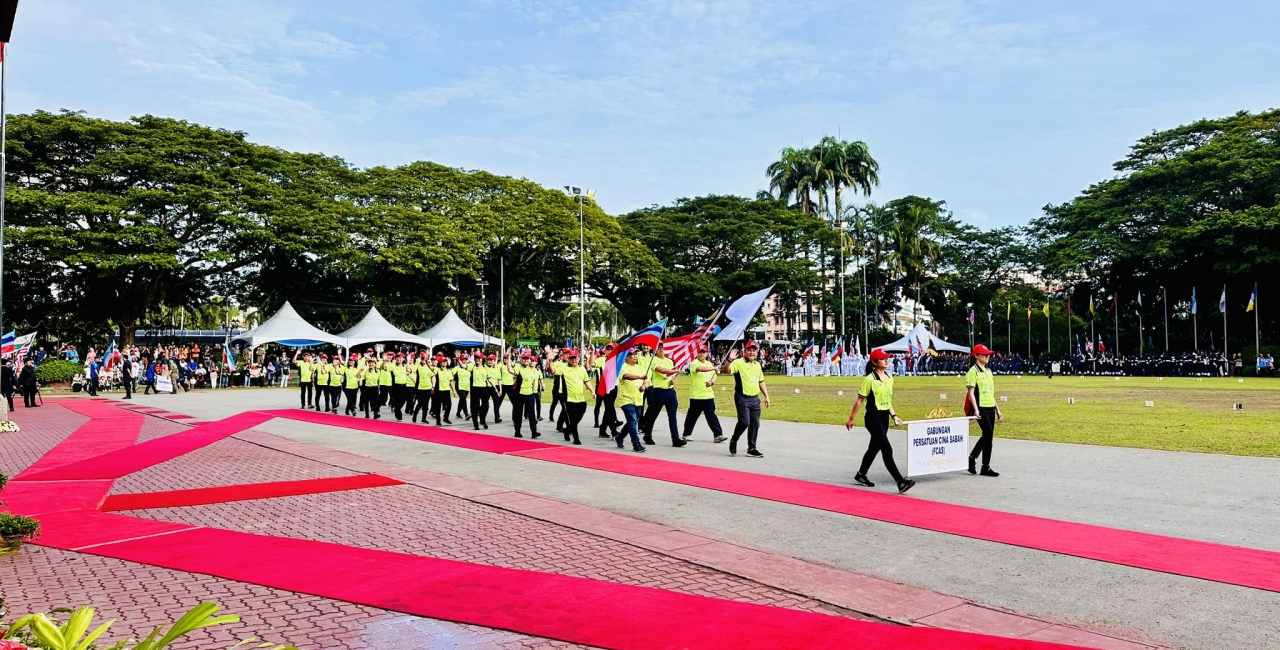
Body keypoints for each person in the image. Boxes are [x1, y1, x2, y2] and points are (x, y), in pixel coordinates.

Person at [844, 347, 915, 494]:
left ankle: (861, 475)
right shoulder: (869, 379)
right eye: (883, 359)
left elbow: (888, 401)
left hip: (883, 418)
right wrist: (851, 419)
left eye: (886, 358)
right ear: (875, 362)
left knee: (874, 448)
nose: (886, 360)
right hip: (872, 418)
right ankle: (900, 481)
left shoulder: (889, 378)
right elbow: (859, 400)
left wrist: (894, 416)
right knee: (886, 448)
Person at [723, 341, 770, 458]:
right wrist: (729, 360)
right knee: (744, 422)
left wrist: (767, 396)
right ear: (745, 351)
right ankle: (734, 439)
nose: (752, 352)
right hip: (742, 397)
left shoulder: (757, 365)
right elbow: (725, 371)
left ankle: (752, 448)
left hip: (755, 398)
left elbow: (761, 381)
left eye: (754, 350)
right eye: (749, 350)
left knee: (755, 423)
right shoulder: (738, 362)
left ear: (757, 352)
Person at [965, 344, 1003, 477]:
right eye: (984, 354)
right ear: (976, 356)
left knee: (989, 437)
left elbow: (991, 392)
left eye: (988, 354)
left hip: (990, 406)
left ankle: (980, 463)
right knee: (987, 434)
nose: (987, 356)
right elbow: (971, 393)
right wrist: (975, 410)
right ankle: (977, 461)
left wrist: (997, 409)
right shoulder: (972, 372)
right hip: (980, 407)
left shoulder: (988, 371)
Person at [639, 343, 683, 447]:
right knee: (653, 415)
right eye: (659, 348)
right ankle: (647, 435)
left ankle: (675, 439)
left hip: (670, 391)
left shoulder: (669, 361)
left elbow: (672, 374)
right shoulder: (653, 360)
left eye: (662, 347)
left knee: (672, 416)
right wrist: (674, 370)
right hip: (658, 391)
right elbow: (661, 370)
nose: (661, 349)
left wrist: (673, 379)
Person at [682, 345, 725, 442]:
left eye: (703, 352)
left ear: (707, 353)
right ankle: (686, 433)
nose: (702, 354)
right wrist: (714, 368)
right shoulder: (694, 363)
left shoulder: (709, 363)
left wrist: (712, 382)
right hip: (696, 396)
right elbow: (700, 369)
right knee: (692, 416)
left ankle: (718, 434)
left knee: (711, 416)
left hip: (708, 395)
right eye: (700, 352)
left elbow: (714, 376)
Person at [613, 349, 648, 452]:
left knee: (632, 421)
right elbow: (626, 376)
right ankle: (636, 444)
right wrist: (639, 377)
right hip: (626, 399)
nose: (634, 356)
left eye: (636, 354)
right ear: (626, 357)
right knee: (633, 421)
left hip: (638, 399)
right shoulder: (623, 367)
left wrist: (644, 387)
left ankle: (619, 437)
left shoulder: (640, 368)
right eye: (632, 354)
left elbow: (647, 381)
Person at [555, 349, 591, 445]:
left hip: (581, 399)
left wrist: (592, 391)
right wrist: (550, 360)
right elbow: (553, 371)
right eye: (571, 358)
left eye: (575, 358)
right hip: (569, 399)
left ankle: (567, 430)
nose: (573, 360)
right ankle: (576, 438)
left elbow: (586, 380)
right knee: (573, 419)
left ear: (579, 358)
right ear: (568, 359)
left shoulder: (582, 369)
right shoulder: (563, 368)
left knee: (579, 415)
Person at [512, 352, 543, 438]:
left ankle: (534, 431)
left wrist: (534, 391)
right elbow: (511, 371)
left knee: (531, 413)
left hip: (530, 394)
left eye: (527, 359)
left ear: (530, 360)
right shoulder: (519, 368)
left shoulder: (534, 370)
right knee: (518, 413)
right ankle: (517, 431)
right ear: (521, 360)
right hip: (519, 394)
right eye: (524, 359)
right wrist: (508, 362)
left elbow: (534, 381)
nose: (526, 360)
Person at [469, 351, 495, 430]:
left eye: (479, 358)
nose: (477, 359)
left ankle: (482, 419)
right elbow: (463, 365)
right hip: (474, 388)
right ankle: (475, 424)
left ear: (482, 359)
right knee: (475, 407)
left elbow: (489, 378)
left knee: (486, 405)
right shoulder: (472, 366)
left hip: (483, 388)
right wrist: (458, 359)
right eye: (476, 358)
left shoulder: (485, 368)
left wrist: (495, 388)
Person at [432, 355, 455, 425]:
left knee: (449, 405)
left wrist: (453, 390)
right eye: (443, 361)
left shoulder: (449, 371)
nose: (444, 362)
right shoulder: (437, 370)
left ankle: (446, 418)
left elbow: (451, 381)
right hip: (439, 390)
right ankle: (438, 421)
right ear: (440, 363)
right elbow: (430, 367)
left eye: (445, 361)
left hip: (447, 390)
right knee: (438, 406)